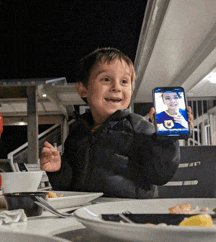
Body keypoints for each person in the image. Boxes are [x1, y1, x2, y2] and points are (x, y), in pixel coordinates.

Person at [40, 47, 193, 199]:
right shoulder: (77, 133)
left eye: (124, 81)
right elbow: (68, 186)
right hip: (86, 212)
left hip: (129, 213)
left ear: (131, 90)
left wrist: (165, 140)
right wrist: (57, 170)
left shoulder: (139, 127)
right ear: (83, 89)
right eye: (106, 79)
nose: (117, 87)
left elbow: (160, 175)